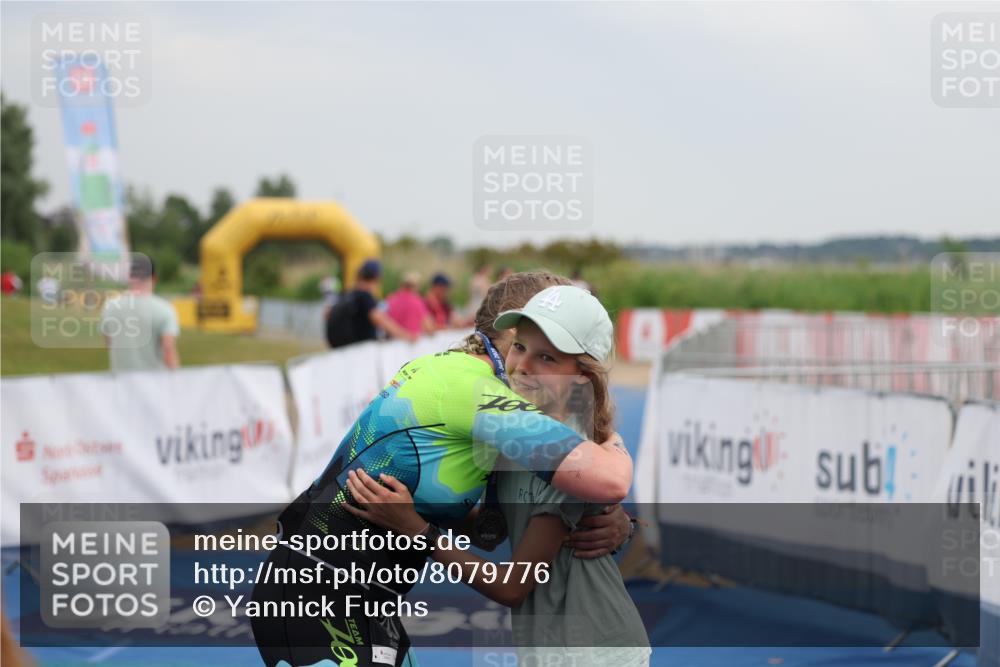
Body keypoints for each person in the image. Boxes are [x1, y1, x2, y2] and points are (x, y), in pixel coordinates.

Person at [251, 271, 633, 667]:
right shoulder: (482, 394)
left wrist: (612, 519)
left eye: (548, 349)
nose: (527, 363)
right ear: (508, 334)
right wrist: (612, 442)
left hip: (350, 597)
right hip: (319, 597)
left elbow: (492, 528)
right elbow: (609, 478)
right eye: (525, 343)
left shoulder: (452, 369)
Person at [347, 285, 650, 667]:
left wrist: (418, 531)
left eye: (547, 357)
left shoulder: (567, 459)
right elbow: (495, 531)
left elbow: (512, 586)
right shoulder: (520, 435)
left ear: (581, 376)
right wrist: (411, 508)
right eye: (520, 346)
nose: (522, 365)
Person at [100, 256, 180, 372]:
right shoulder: (165, 310)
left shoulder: (110, 306)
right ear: (154, 278)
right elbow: (168, 351)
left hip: (120, 384)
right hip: (154, 384)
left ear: (130, 276)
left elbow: (109, 343)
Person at [325, 259, 417, 347]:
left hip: (339, 349)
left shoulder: (346, 294)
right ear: (377, 278)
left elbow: (327, 314)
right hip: (358, 350)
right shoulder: (364, 296)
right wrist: (406, 336)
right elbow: (380, 319)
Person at [384, 271, 434, 337]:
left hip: (392, 342)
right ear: (417, 286)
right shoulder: (418, 302)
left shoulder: (390, 299)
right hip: (411, 342)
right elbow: (429, 328)